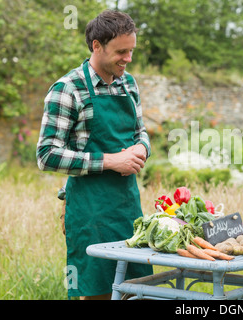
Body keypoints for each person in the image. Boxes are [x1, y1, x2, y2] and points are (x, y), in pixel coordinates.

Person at [36, 10, 153, 300]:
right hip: (90, 212)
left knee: (138, 291)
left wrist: (142, 148)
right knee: (97, 292)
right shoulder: (68, 89)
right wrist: (111, 161)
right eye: (121, 52)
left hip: (128, 207)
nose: (128, 58)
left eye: (131, 51)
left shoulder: (129, 83)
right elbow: (46, 155)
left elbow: (141, 132)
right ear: (96, 46)